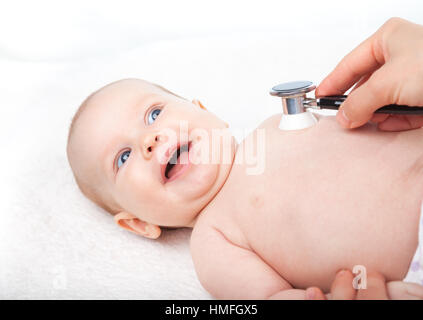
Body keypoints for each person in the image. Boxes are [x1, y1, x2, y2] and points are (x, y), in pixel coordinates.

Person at [65, 19, 423, 300]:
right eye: (123, 157)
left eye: (154, 114)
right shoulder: (214, 240)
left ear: (206, 111)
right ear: (138, 224)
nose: (149, 140)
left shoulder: (276, 124)